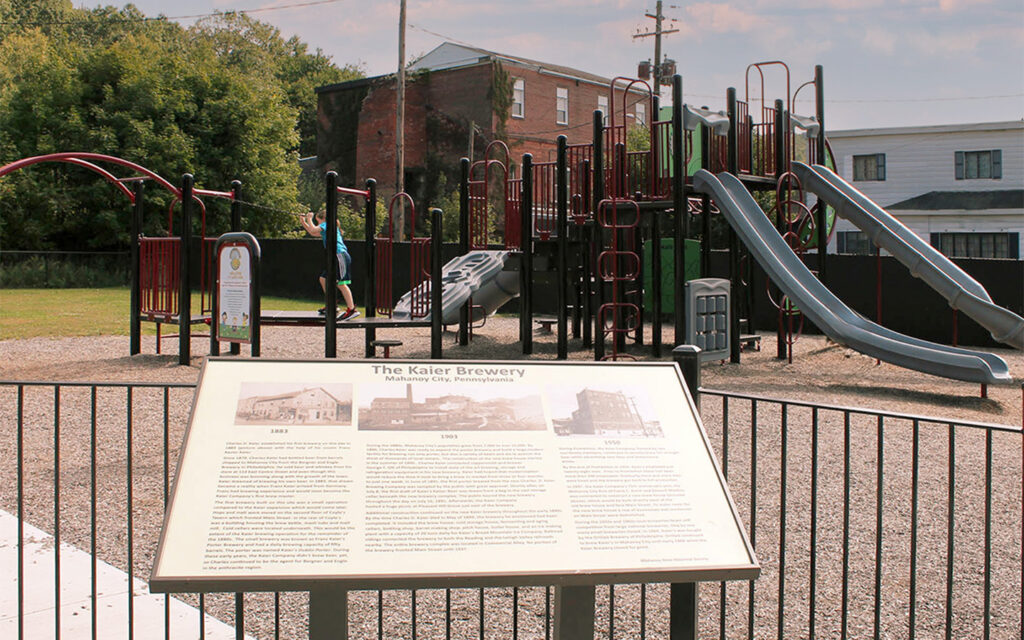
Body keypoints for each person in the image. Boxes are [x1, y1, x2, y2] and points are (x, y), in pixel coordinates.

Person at [300, 211, 360, 320]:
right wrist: (303, 222)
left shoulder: (327, 224)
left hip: (339, 255)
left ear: (323, 219)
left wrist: (309, 218)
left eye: (318, 221)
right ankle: (332, 305)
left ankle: (351, 309)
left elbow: (313, 229)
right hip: (335, 257)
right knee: (323, 279)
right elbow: (312, 233)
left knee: (341, 283)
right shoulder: (327, 227)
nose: (317, 223)